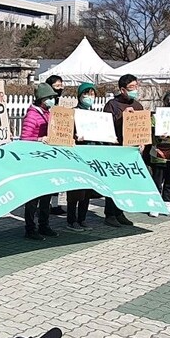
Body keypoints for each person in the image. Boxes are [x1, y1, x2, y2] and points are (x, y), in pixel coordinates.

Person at [101, 74, 143, 227]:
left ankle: (120, 212)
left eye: (137, 87)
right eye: (132, 88)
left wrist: (142, 142)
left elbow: (141, 127)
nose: (135, 90)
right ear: (122, 90)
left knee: (125, 183)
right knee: (113, 183)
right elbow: (105, 126)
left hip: (130, 150)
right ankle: (110, 214)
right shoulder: (112, 105)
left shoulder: (138, 105)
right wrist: (122, 117)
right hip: (114, 149)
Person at [20, 83, 59, 241]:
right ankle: (30, 228)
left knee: (46, 196)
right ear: (42, 99)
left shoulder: (48, 113)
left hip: (47, 160)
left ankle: (44, 225)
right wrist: (40, 139)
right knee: (33, 198)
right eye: (49, 98)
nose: (52, 100)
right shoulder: (32, 115)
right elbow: (24, 139)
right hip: (34, 161)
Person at [65, 83, 98, 232]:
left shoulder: (96, 115)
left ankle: (82, 219)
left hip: (90, 155)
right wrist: (75, 136)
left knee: (87, 190)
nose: (89, 97)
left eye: (92, 94)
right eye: (86, 94)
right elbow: (65, 134)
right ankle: (71, 221)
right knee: (74, 190)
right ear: (79, 96)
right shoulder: (73, 113)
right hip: (76, 155)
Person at [43, 75, 67, 215]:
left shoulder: (59, 104)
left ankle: (55, 204)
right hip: (47, 145)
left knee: (58, 177)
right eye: (57, 86)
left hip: (59, 143)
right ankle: (45, 206)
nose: (60, 89)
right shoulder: (45, 106)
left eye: (61, 86)